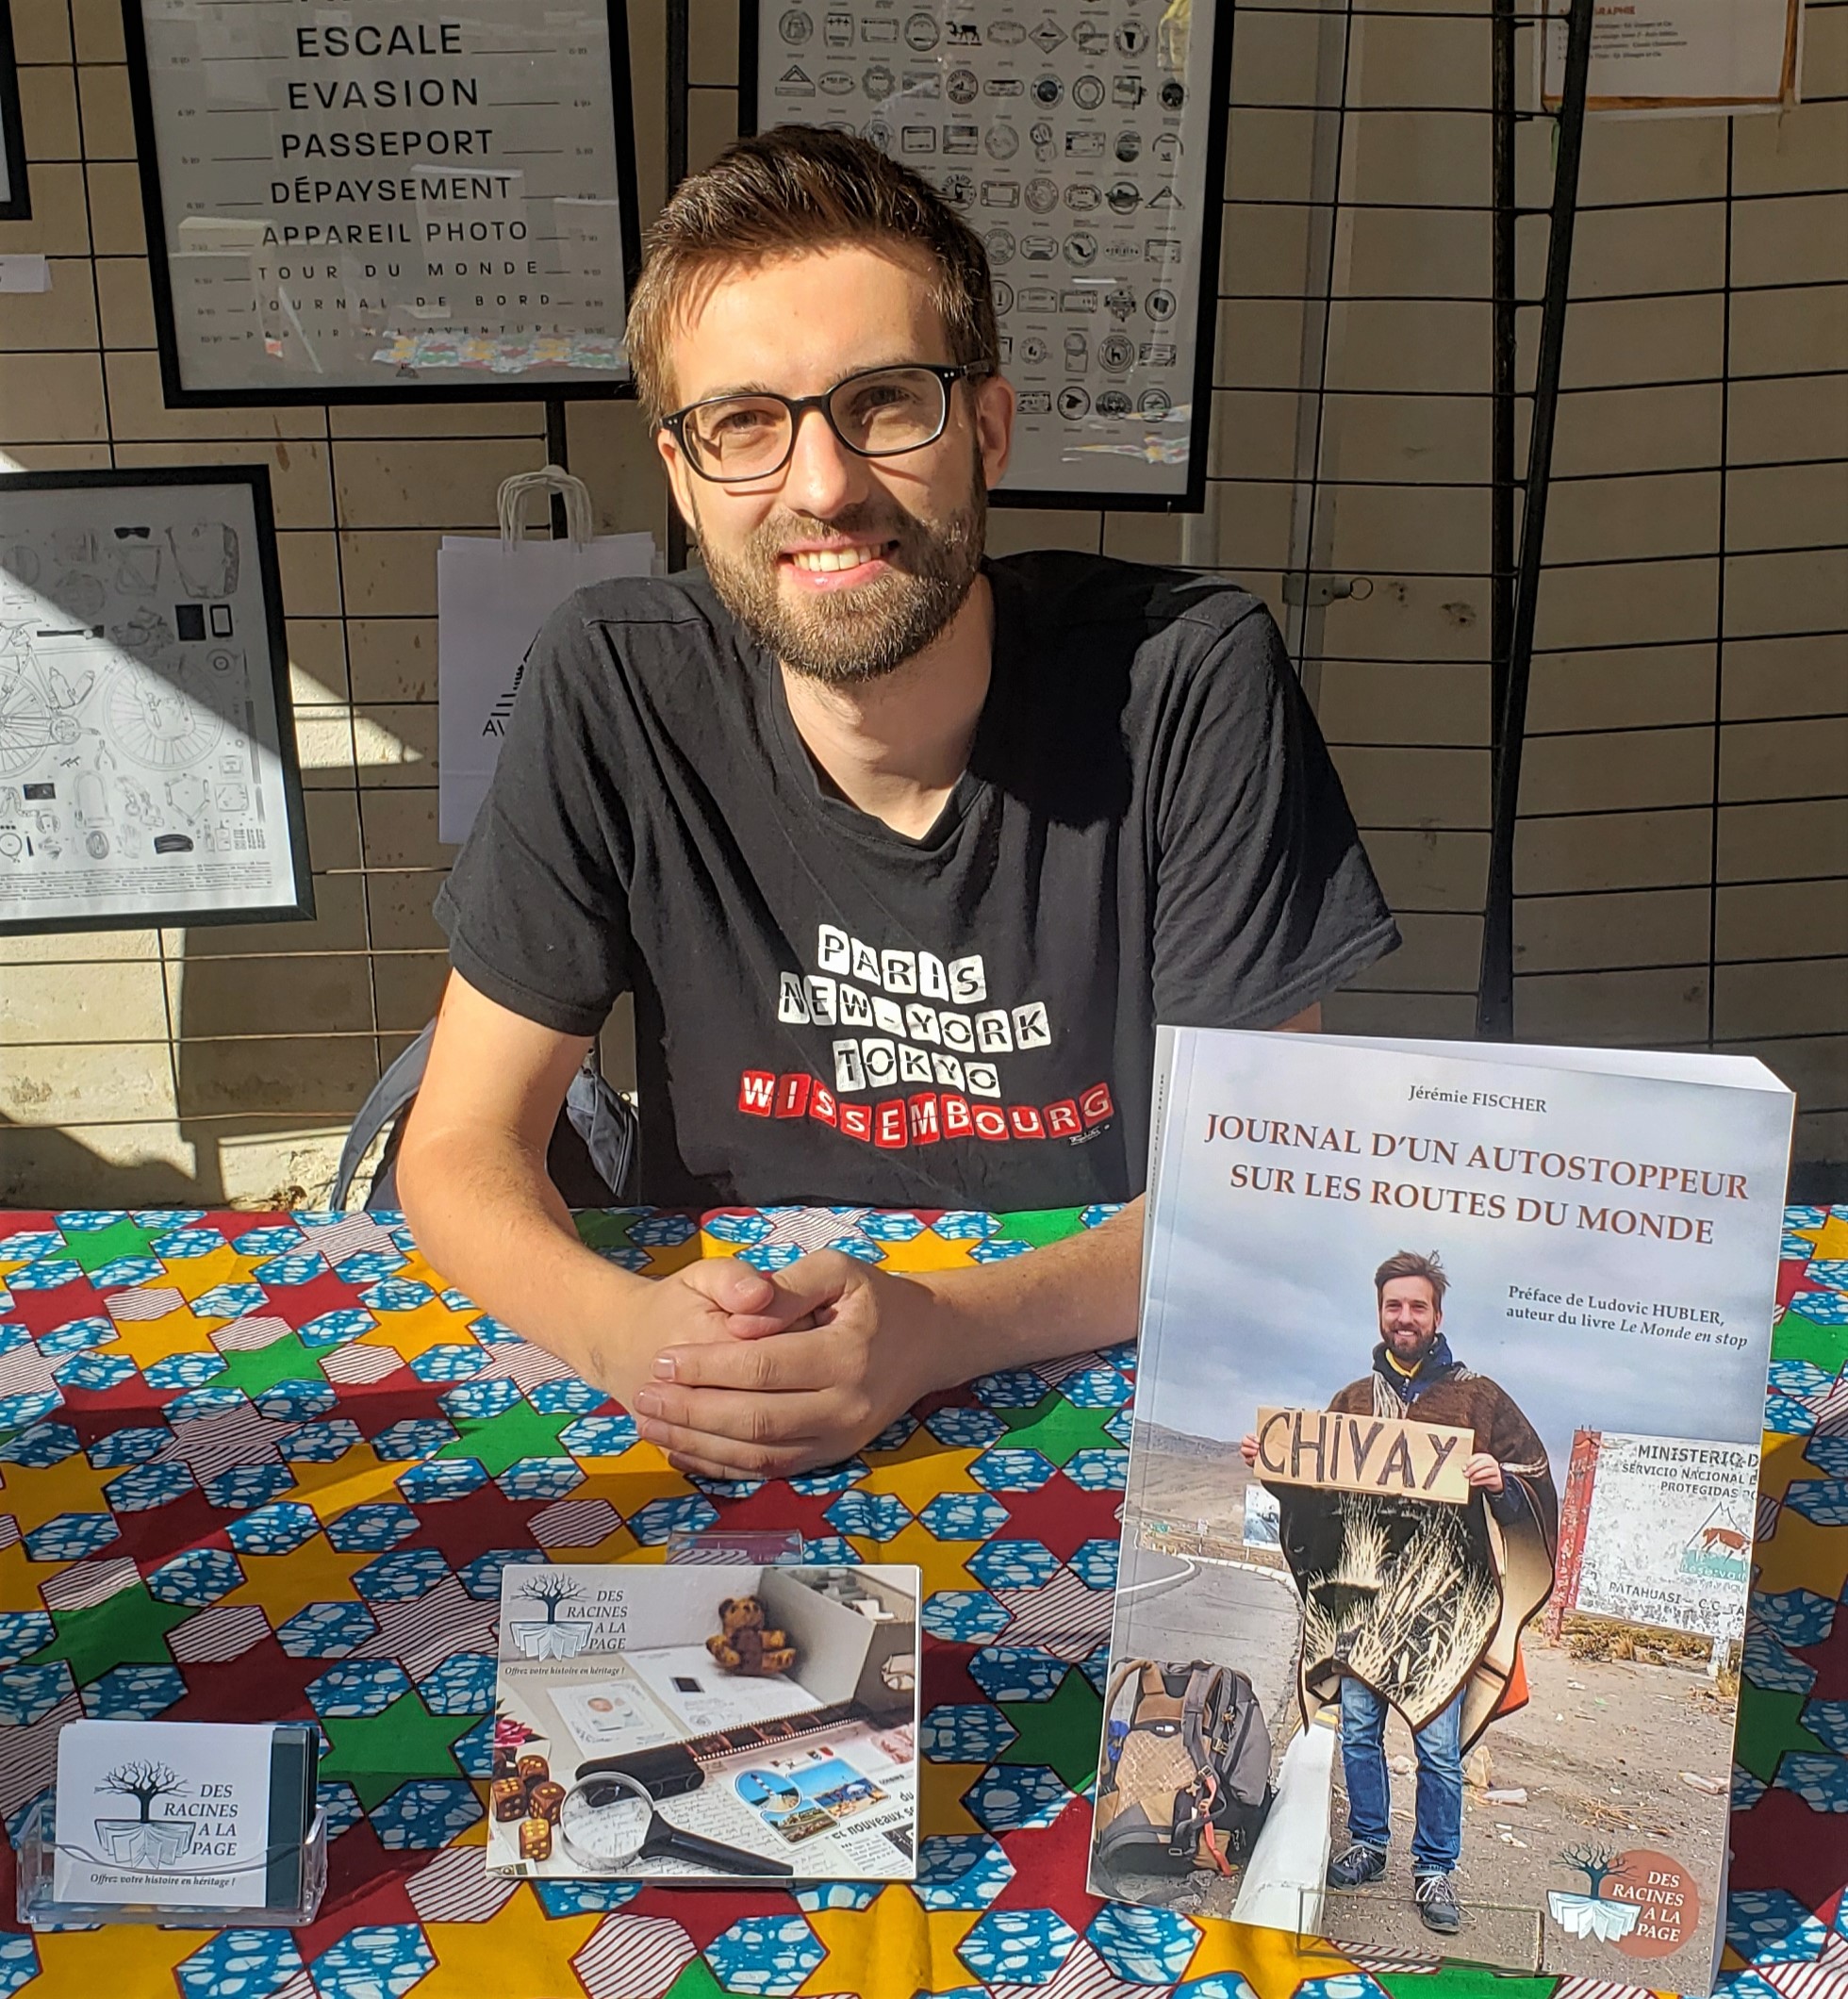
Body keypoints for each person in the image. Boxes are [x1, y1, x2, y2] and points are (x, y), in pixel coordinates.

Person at [399, 126, 1399, 1481]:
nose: (822, 486)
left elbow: (1258, 1184)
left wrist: (942, 1330)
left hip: (1081, 1367)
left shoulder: (1185, 677)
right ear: (682, 476)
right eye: (744, 423)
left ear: (986, 428)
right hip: (723, 1383)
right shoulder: (615, 681)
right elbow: (460, 1143)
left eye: (881, 402)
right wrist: (629, 1335)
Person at [1240, 1251, 1558, 1936]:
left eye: (1417, 1306)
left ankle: (1436, 1868)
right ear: (1380, 1313)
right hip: (1364, 1599)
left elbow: (1532, 1478)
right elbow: (1317, 1493)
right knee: (1359, 1732)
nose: (1404, 1317)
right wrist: (1275, 1469)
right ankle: (1368, 1842)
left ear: (1437, 1316)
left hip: (1447, 1606)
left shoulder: (1481, 1399)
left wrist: (1500, 1480)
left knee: (1438, 1749)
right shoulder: (1353, 1402)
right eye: (1394, 1306)